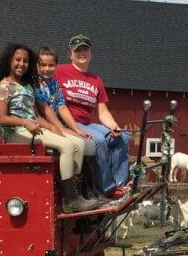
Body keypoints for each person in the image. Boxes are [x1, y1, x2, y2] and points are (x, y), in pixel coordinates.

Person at [0, 42, 100, 212]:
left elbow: (35, 116)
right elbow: (1, 118)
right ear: (9, 61)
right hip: (16, 132)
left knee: (78, 144)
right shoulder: (3, 86)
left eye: (25, 61)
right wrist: (25, 123)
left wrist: (54, 127)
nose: (21, 64)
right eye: (17, 60)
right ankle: (70, 200)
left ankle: (75, 192)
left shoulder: (27, 86)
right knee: (67, 146)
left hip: (33, 128)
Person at [54, 34, 132, 198]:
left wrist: (113, 126)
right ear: (70, 54)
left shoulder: (95, 80)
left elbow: (102, 111)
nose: (81, 53)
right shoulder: (59, 71)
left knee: (123, 137)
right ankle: (107, 189)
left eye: (85, 49)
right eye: (77, 50)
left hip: (86, 123)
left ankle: (120, 185)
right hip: (67, 122)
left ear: (91, 53)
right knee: (98, 140)